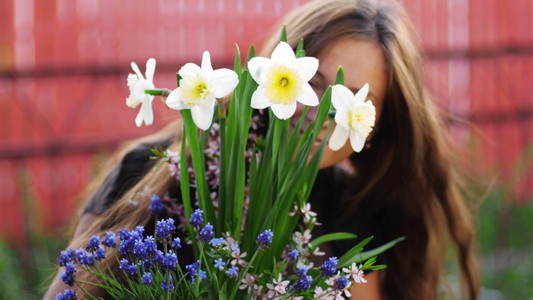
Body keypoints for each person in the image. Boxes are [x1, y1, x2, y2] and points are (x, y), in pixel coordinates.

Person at [45, 0, 480, 299]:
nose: (318, 110)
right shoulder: (149, 172)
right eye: (313, 84)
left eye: (348, 103)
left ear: (375, 128)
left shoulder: (355, 217)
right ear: (273, 70)